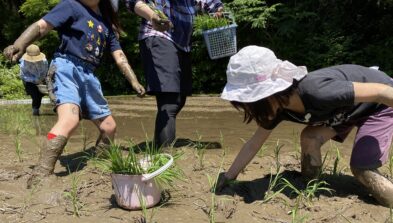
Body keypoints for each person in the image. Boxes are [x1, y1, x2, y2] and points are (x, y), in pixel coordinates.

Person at [217, 45, 393, 208]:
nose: (251, 112)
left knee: (362, 167)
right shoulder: (276, 108)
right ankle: (310, 185)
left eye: (251, 105)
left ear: (269, 94)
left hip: (378, 105)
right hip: (345, 112)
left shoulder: (316, 91)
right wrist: (228, 177)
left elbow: (381, 92)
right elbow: (253, 144)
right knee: (309, 137)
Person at [3, 0, 145, 187]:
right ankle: (41, 175)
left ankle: (98, 161)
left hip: (90, 76)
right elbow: (41, 26)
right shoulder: (71, 5)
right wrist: (19, 44)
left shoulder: (106, 26)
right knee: (70, 119)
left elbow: (120, 56)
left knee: (109, 127)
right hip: (66, 67)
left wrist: (134, 81)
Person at [124, 0, 223, 147]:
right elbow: (133, 2)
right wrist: (152, 16)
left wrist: (218, 11)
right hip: (158, 33)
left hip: (183, 43)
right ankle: (165, 155)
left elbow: (210, 3)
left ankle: (158, 144)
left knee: (180, 98)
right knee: (169, 99)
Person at [19, 44, 48, 116]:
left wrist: (41, 80)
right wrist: (35, 80)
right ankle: (35, 111)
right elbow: (23, 75)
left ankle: (36, 109)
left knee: (39, 95)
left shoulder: (44, 61)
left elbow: (45, 71)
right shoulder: (24, 63)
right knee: (35, 95)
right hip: (29, 81)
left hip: (41, 80)